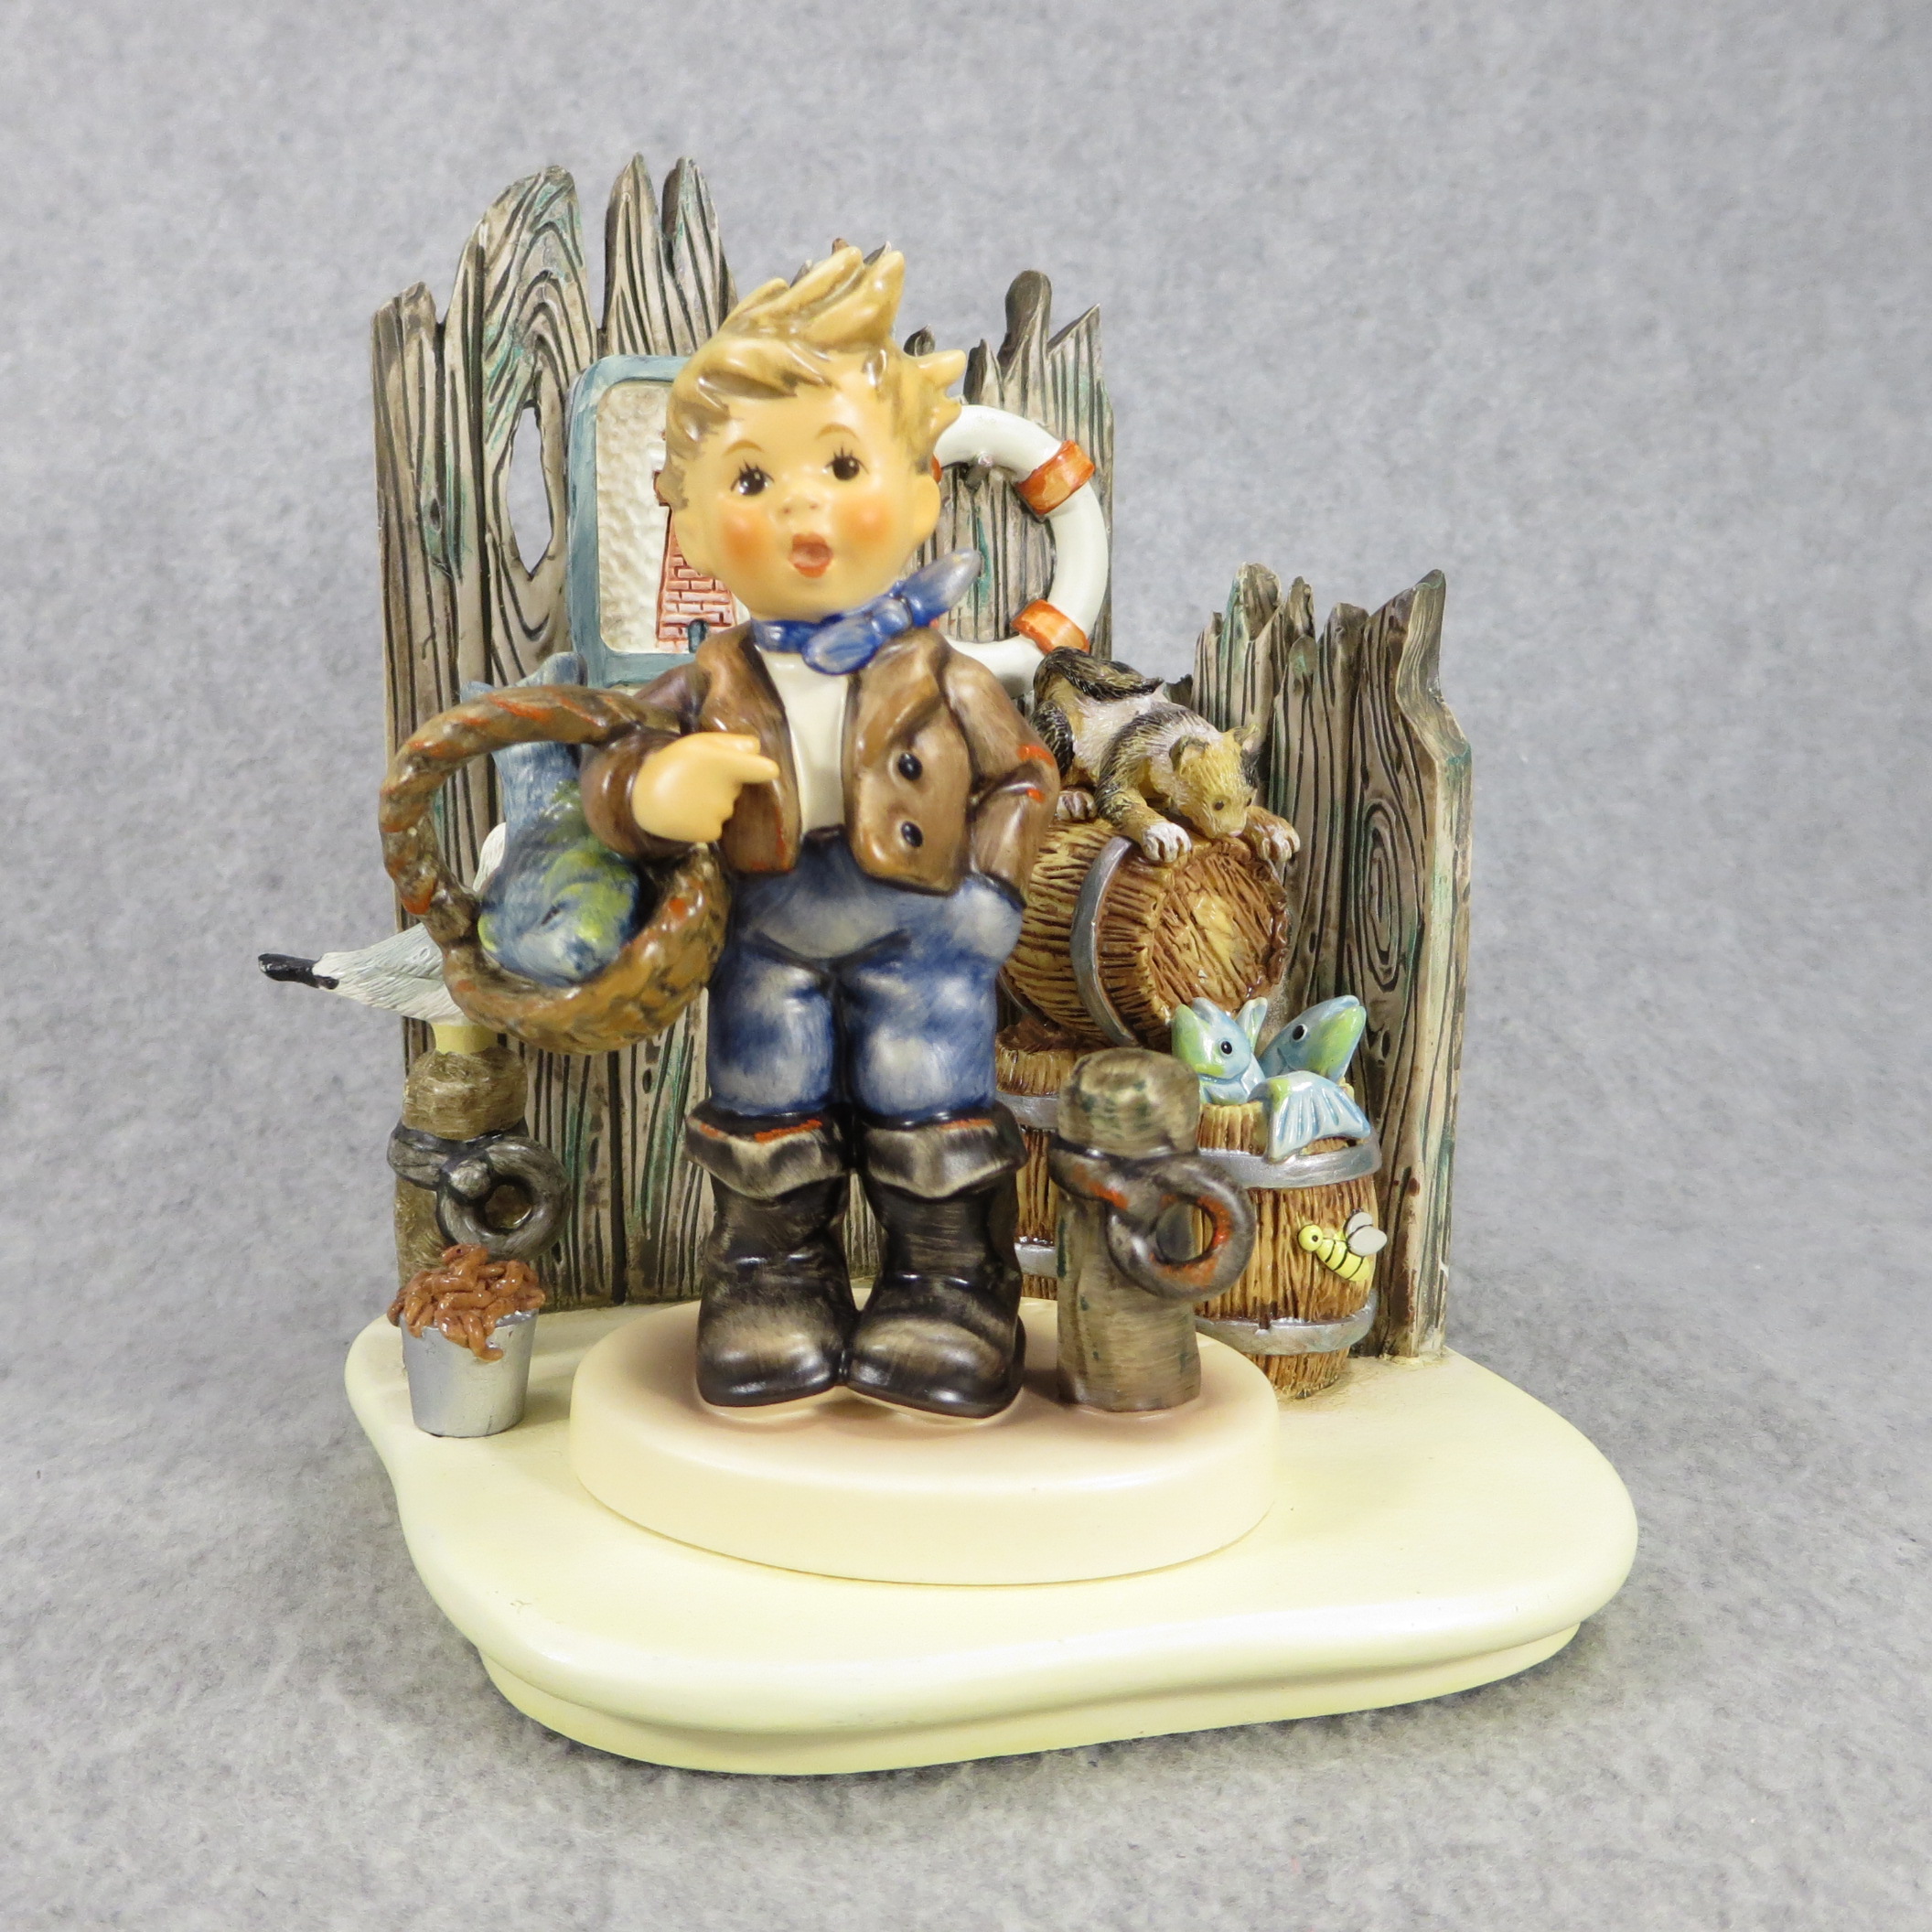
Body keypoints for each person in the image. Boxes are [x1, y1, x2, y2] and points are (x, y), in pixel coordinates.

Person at [576, 246, 1059, 1419]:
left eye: (842, 465)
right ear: (692, 530)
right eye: (750, 479)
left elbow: (1028, 776)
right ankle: (771, 1279)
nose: (801, 504)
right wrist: (654, 793)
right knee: (765, 1087)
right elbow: (610, 766)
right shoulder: (713, 676)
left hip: (921, 926)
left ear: (922, 495)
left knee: (925, 1085)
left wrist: (990, 897)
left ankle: (948, 1283)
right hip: (768, 923)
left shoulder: (940, 672)